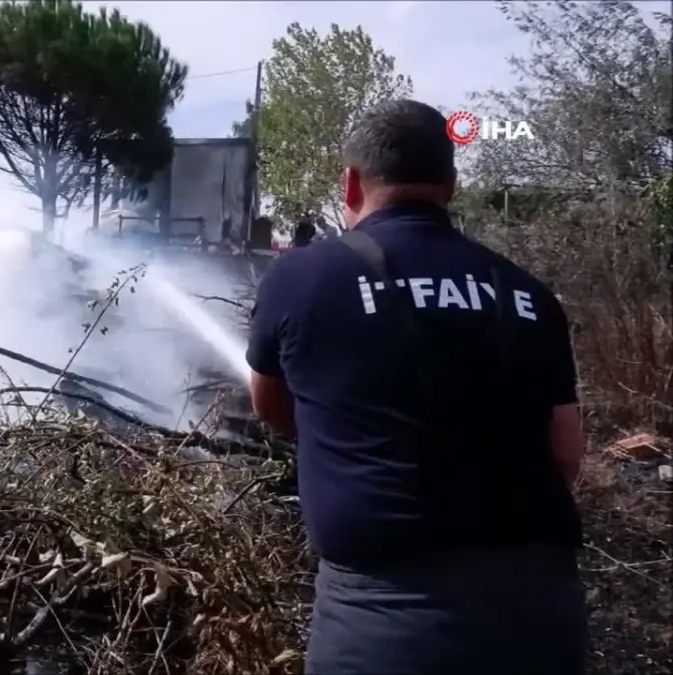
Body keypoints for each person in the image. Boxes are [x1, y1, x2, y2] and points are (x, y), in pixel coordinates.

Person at [246, 99, 587, 675]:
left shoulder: (301, 277)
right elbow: (566, 452)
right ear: (450, 186)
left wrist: (343, 439)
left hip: (383, 621)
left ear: (351, 183)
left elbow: (269, 403)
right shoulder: (528, 293)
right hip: (541, 614)